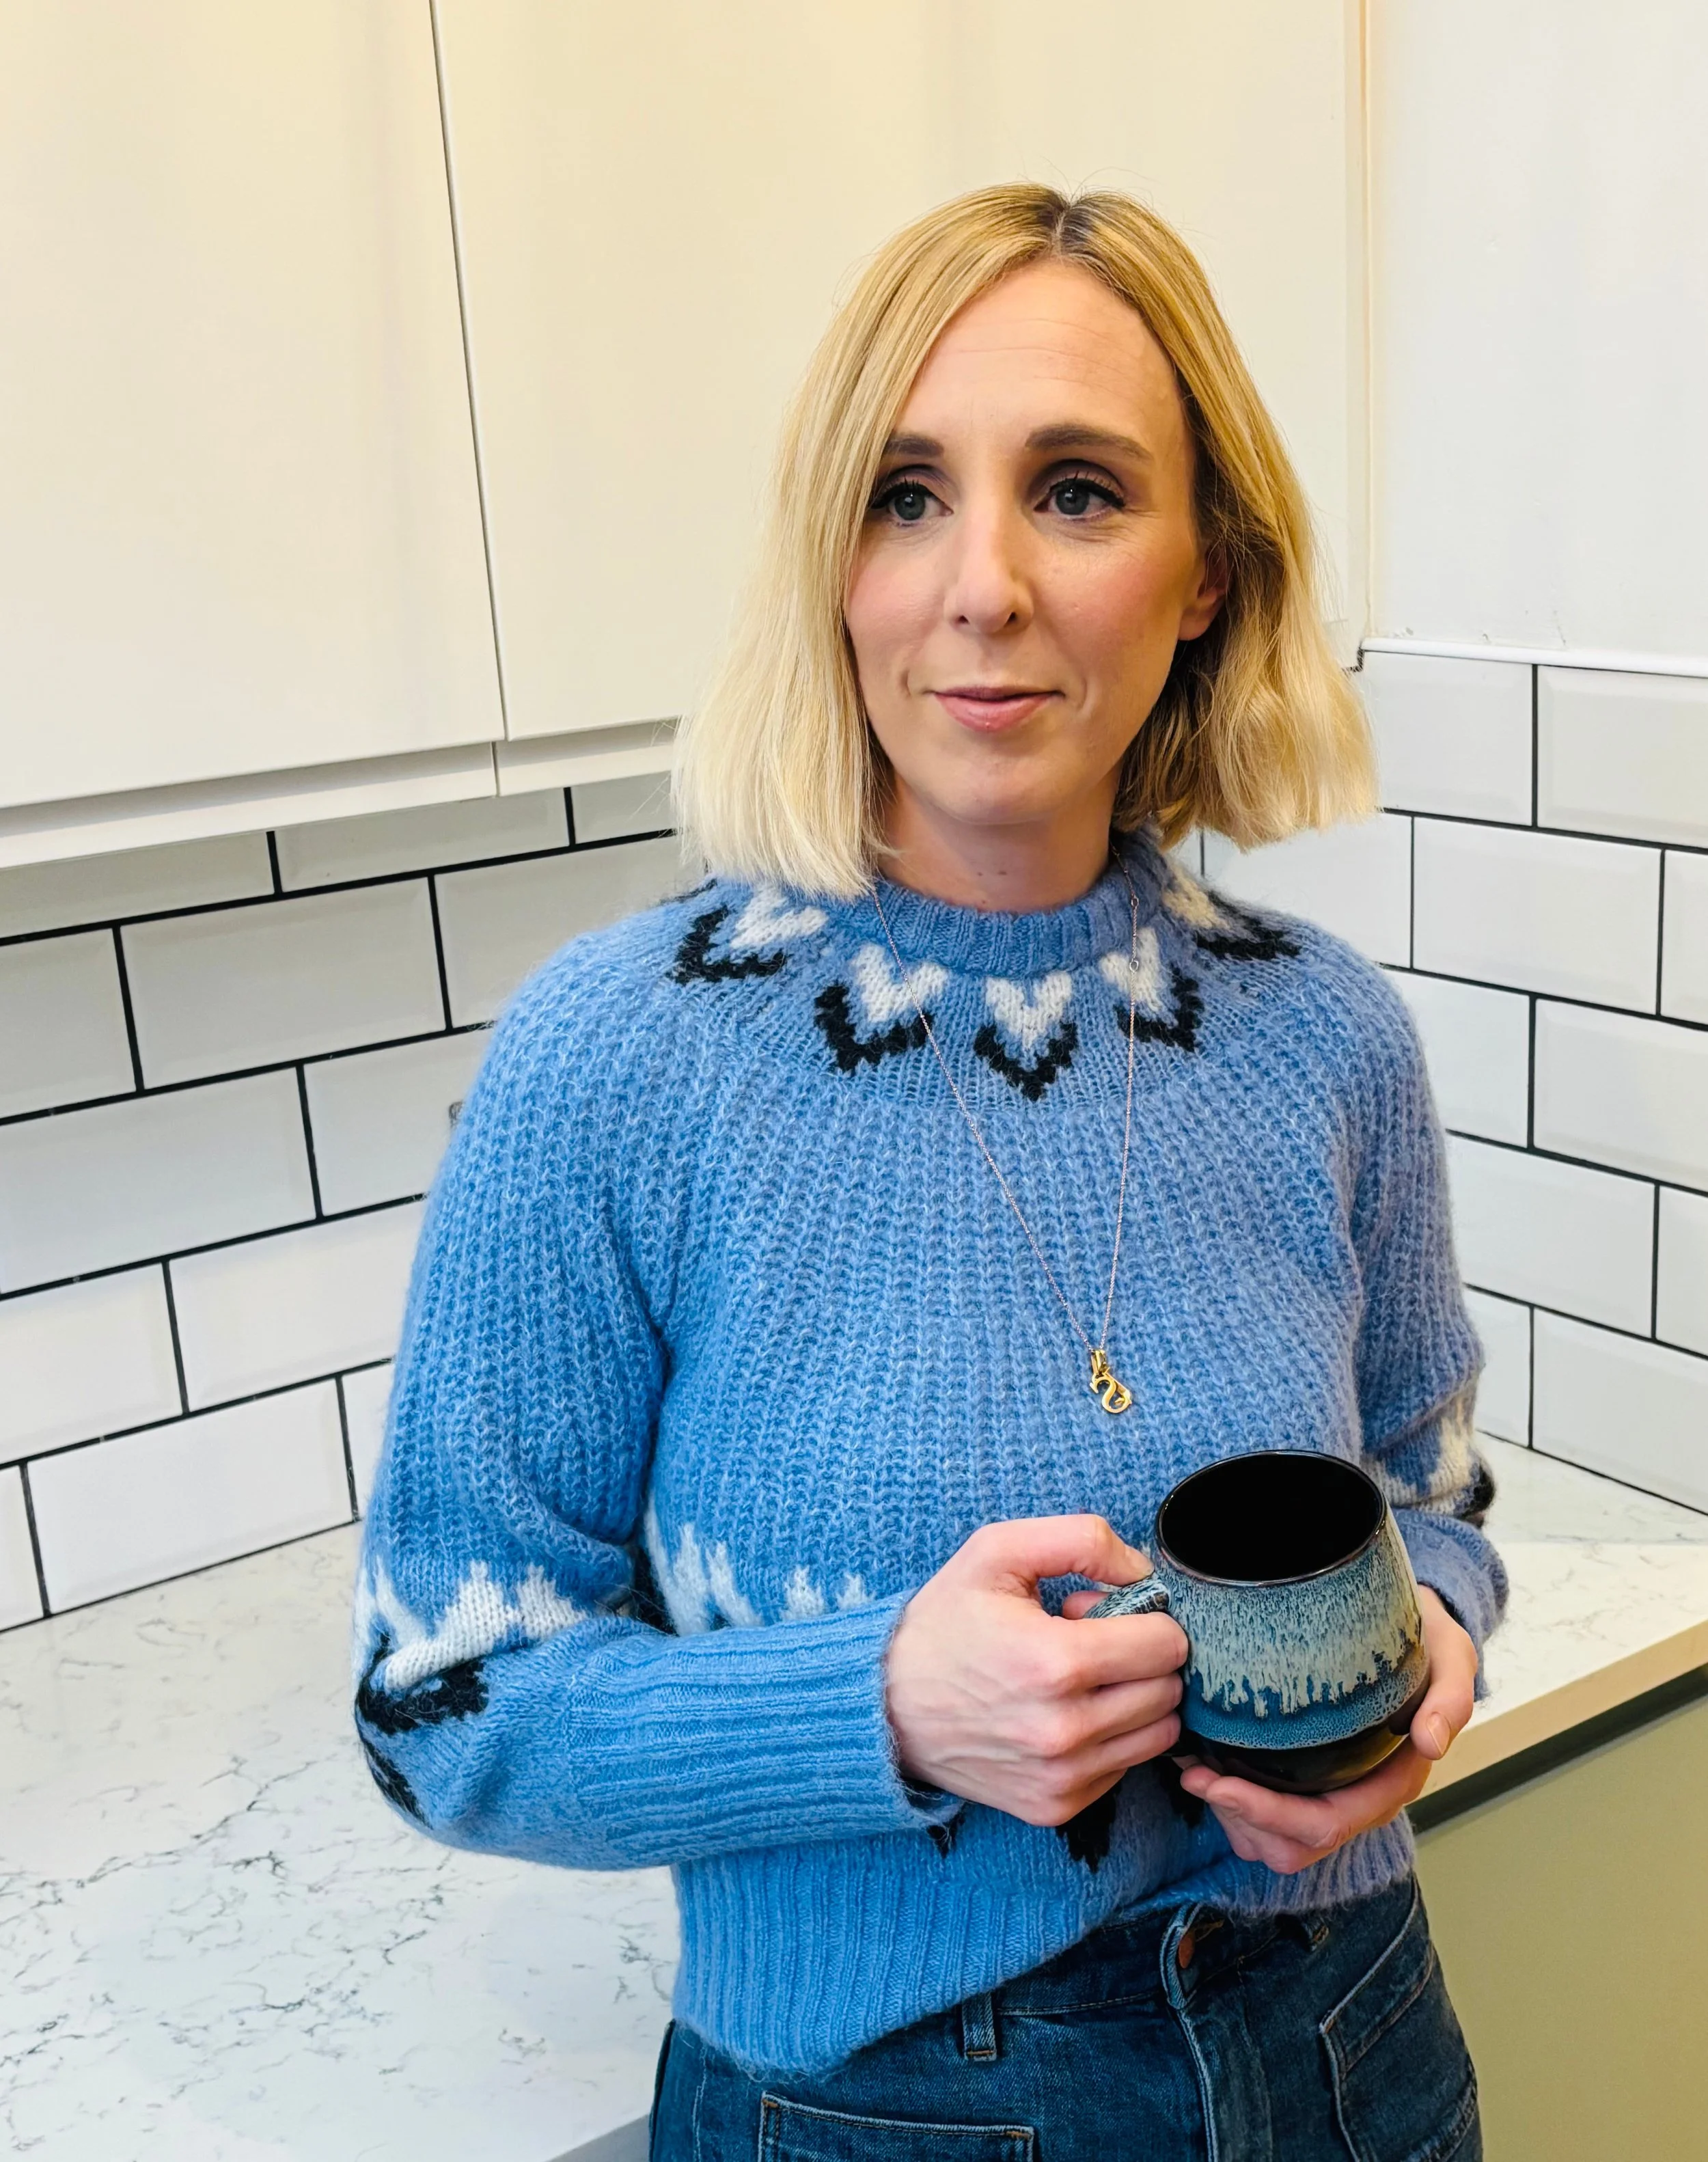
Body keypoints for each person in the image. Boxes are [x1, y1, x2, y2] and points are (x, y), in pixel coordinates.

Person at [350, 184, 1504, 2160]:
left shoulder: (1327, 1035)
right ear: (832, 561)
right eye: (902, 496)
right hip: (872, 2105)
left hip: (1349, 2043)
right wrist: (877, 1703)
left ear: (1207, 574)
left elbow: (1433, 1496)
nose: (983, 585)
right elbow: (444, 1705)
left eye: (1077, 491)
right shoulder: (615, 1059)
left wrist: (1428, 1657)